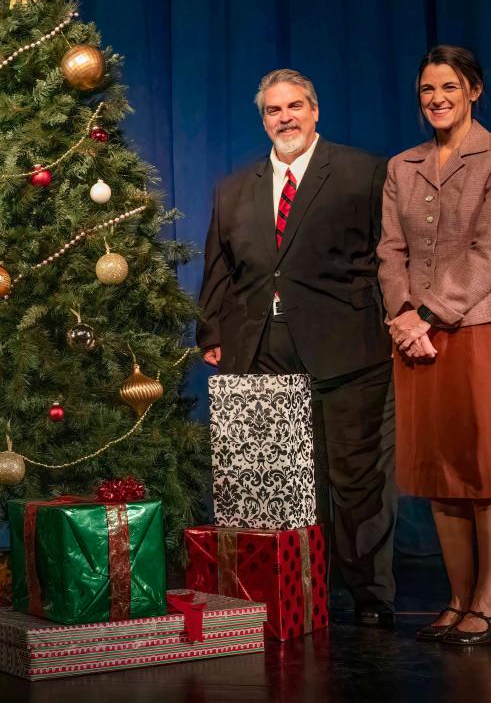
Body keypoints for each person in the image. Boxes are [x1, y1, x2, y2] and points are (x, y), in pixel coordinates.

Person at [197, 69, 397, 627]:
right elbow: (220, 269)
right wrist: (210, 332)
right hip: (260, 348)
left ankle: (370, 595)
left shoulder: (364, 172)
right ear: (262, 118)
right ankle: (288, 591)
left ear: (315, 111)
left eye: (295, 106)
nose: (284, 118)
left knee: (357, 480)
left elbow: (390, 258)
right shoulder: (234, 187)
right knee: (275, 479)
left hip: (349, 349)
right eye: (273, 110)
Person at [377, 45, 491, 645]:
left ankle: (490, 601)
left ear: (474, 90)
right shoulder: (402, 165)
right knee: (439, 473)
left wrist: (428, 314)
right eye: (426, 90)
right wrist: (402, 314)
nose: (436, 99)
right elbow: (389, 250)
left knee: (485, 469)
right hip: (413, 332)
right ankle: (458, 598)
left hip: (480, 326)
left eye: (448, 86)